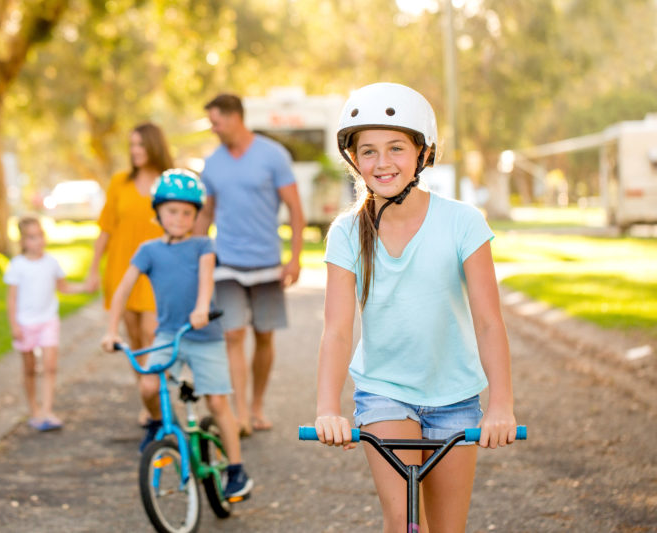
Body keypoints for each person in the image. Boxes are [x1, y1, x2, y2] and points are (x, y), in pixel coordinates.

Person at [313, 82, 518, 533]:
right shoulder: (347, 233)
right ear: (354, 160)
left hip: (455, 397)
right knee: (406, 524)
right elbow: (337, 330)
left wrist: (500, 404)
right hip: (385, 393)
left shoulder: (463, 222)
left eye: (395, 148)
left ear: (423, 154)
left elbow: (488, 322)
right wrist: (328, 407)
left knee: (448, 529)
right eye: (368, 151)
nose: (382, 162)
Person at [101, 169, 253, 499]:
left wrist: (201, 308)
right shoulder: (149, 250)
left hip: (204, 335)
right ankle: (157, 423)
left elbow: (205, 279)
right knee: (148, 384)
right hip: (169, 333)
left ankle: (237, 470)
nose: (180, 218)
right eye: (172, 211)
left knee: (217, 402)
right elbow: (122, 288)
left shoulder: (203, 245)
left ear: (196, 215)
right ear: (158, 212)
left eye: (188, 212)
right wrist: (111, 330)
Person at [195, 93, 305, 436]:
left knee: (264, 336)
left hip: (267, 262)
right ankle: (240, 414)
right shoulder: (213, 163)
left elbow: (295, 209)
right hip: (227, 260)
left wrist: (295, 258)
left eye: (216, 121)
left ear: (234, 117)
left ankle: (256, 406)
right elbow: (207, 213)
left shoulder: (272, 155)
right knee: (232, 334)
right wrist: (194, 257)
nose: (213, 129)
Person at [85, 123, 174, 425]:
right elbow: (106, 229)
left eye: (140, 145)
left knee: (153, 334)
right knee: (135, 339)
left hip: (157, 275)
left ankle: (157, 395)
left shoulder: (169, 183)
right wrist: (93, 269)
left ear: (154, 146)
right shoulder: (119, 182)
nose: (135, 151)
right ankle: (148, 399)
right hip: (123, 271)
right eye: (132, 145)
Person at [5, 216, 88, 432]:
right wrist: (14, 325)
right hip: (25, 324)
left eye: (40, 235)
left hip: (48, 321)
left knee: (50, 367)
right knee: (30, 368)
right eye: (32, 237)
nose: (38, 241)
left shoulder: (52, 263)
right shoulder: (17, 265)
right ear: (23, 241)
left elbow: (64, 287)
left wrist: (85, 287)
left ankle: (48, 410)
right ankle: (34, 408)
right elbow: (12, 299)